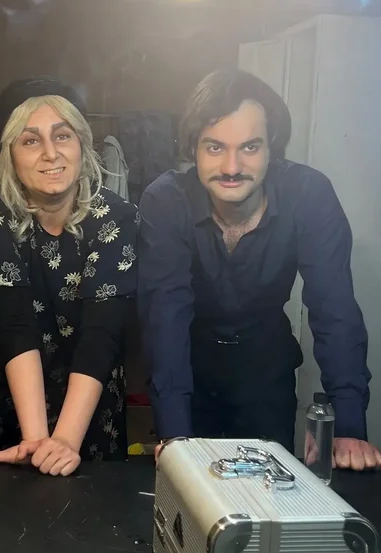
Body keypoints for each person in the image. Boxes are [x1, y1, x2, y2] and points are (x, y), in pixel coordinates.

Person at [138, 68, 381, 470]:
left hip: (267, 375)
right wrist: (174, 434)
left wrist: (349, 425)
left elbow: (334, 310)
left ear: (273, 148)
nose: (232, 166)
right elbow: (165, 318)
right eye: (215, 147)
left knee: (271, 498)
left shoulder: (309, 194)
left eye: (249, 147)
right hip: (187, 376)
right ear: (193, 149)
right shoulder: (166, 201)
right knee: (188, 493)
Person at [0, 78, 139, 476]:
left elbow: (101, 334)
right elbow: (13, 323)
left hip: (88, 403)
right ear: (9, 155)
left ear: (82, 144)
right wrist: (35, 441)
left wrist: (64, 440)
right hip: (13, 396)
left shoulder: (117, 216)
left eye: (62, 136)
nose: (50, 153)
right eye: (30, 141)